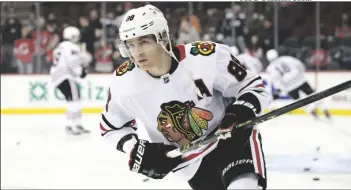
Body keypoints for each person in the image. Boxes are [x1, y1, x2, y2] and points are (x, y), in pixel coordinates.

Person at [100, 4, 270, 190]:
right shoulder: (123, 82)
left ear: (163, 38)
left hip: (231, 141)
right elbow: (110, 128)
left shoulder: (207, 56)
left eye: (144, 42)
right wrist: (135, 149)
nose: (137, 52)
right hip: (189, 163)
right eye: (130, 44)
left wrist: (240, 111)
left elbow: (252, 87)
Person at [50, 26, 92, 135]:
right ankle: (73, 125)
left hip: (57, 76)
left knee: (72, 99)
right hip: (65, 76)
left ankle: (74, 124)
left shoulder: (61, 46)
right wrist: (81, 71)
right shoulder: (72, 47)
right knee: (74, 100)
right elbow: (73, 62)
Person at [265, 49, 331, 118]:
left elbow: (276, 81)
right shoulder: (286, 58)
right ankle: (324, 109)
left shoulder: (269, 68)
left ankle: (310, 110)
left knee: (300, 102)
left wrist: (281, 89)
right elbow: (299, 64)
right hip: (300, 81)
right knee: (313, 95)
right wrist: (301, 75)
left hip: (289, 87)